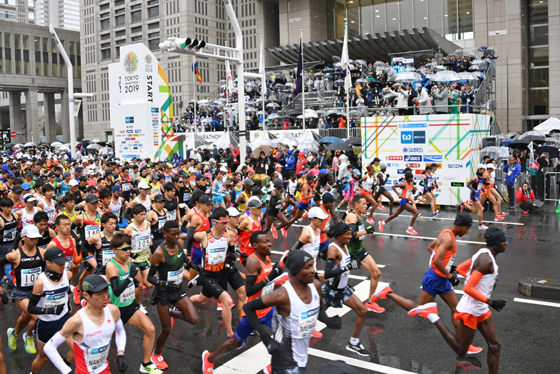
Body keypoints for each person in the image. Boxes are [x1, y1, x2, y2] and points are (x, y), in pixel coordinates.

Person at [377, 213, 483, 355]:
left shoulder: (446, 233)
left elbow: (431, 248)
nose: (467, 231)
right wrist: (450, 275)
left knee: (456, 309)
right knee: (419, 310)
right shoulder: (447, 238)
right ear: (459, 226)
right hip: (434, 279)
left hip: (441, 279)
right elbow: (436, 261)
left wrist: (447, 267)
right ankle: (387, 293)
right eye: (466, 228)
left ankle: (464, 345)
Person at [408, 227, 508, 374]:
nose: (506, 243)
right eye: (503, 241)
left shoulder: (484, 253)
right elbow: (468, 288)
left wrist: (481, 282)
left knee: (495, 346)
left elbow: (461, 268)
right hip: (470, 310)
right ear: (495, 243)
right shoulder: (486, 261)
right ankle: (432, 316)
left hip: (481, 308)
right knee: (461, 349)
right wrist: (491, 302)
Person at [243, 250, 342, 374]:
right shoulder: (283, 295)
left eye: (313, 265)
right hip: (284, 359)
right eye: (308, 267)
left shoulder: (315, 286)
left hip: (301, 357)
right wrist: (266, 339)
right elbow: (248, 308)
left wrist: (327, 320)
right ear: (296, 271)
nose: (313, 270)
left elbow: (319, 309)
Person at [202, 231, 285, 372]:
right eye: (265, 242)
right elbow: (250, 290)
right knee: (235, 343)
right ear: (255, 245)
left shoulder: (266, 257)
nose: (270, 243)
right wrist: (271, 276)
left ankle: (274, 366)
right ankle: (209, 359)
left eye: (269, 240)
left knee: (286, 335)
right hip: (253, 314)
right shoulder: (253, 261)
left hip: (268, 310)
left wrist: (277, 279)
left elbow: (265, 284)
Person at [43, 274, 129, 374]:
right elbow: (49, 347)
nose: (105, 297)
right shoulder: (77, 321)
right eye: (99, 294)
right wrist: (66, 371)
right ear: (86, 295)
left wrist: (120, 354)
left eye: (106, 291)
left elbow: (120, 331)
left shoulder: (113, 311)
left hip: (104, 369)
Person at [106, 233, 163, 374]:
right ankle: (100, 363)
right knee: (105, 338)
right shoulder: (111, 267)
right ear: (114, 249)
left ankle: (146, 363)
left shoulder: (129, 261)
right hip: (115, 309)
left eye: (129, 248)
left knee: (150, 329)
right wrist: (130, 277)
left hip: (130, 307)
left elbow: (134, 281)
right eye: (124, 249)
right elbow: (116, 291)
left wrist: (135, 280)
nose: (128, 251)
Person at [147, 221, 200, 370]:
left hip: (177, 290)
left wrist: (190, 264)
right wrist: (163, 284)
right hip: (164, 294)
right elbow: (150, 278)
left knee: (194, 319)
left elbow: (181, 256)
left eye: (178, 233)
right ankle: (156, 354)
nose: (177, 236)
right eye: (174, 234)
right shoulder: (159, 253)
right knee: (166, 330)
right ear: (165, 234)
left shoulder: (178, 245)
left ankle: (172, 313)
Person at [189, 208, 246, 339]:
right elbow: (190, 237)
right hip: (207, 275)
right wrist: (188, 256)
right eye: (223, 223)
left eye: (227, 222)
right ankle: (231, 335)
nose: (226, 225)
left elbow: (231, 250)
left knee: (202, 299)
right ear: (215, 222)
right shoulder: (204, 236)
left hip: (221, 272)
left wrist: (231, 255)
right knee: (227, 301)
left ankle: (182, 304)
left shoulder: (229, 234)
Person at [322, 222, 369, 356]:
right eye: (347, 234)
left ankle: (354, 342)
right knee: (313, 316)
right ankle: (291, 340)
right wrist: (347, 267)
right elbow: (327, 273)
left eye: (350, 234)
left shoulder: (344, 246)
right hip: (331, 291)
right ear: (338, 235)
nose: (350, 236)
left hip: (342, 289)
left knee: (363, 311)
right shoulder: (334, 249)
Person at [27, 247, 74, 374]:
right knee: (43, 358)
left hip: (64, 320)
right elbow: (30, 308)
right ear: (48, 263)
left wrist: (67, 304)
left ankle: (64, 366)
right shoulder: (40, 283)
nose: (62, 266)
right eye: (58, 263)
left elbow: (66, 291)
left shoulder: (67, 275)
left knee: (77, 351)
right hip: (46, 325)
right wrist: (50, 310)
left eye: (63, 262)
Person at [2, 225, 48, 355]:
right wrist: (5, 278)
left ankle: (14, 333)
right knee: (37, 315)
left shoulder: (42, 252)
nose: (35, 241)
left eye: (36, 238)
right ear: (24, 237)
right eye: (32, 238)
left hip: (37, 292)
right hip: (21, 293)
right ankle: (28, 337)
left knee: (25, 317)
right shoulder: (15, 255)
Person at [344, 195, 382, 313]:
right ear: (356, 205)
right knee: (331, 278)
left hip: (359, 251)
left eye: (367, 204)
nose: (367, 206)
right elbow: (352, 234)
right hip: (348, 254)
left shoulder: (359, 216)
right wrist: (367, 231)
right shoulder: (352, 216)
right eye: (364, 204)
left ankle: (370, 302)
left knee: (376, 273)